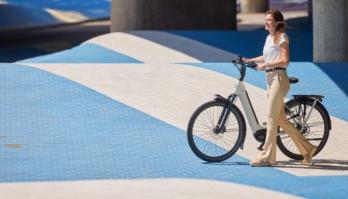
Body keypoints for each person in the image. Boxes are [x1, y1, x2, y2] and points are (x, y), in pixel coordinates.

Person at [243, 9, 317, 167]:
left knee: (270, 118)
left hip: (279, 78)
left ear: (277, 23)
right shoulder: (269, 38)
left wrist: (266, 65)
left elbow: (284, 61)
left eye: (269, 20)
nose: (266, 22)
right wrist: (250, 60)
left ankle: (267, 157)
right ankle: (308, 149)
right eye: (266, 19)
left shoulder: (282, 37)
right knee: (281, 120)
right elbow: (267, 56)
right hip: (270, 79)